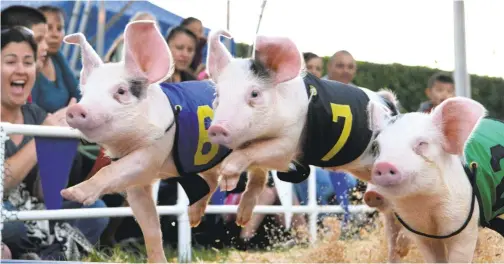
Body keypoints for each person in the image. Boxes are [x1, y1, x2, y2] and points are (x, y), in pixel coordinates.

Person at [1, 25, 109, 261]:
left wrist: (61, 143)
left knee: (96, 210)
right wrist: (42, 136)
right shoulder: (42, 123)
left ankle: (36, 258)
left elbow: (44, 196)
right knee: (10, 225)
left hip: (33, 214)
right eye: (10, 61)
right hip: (8, 217)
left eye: (28, 62)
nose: (21, 70)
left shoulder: (38, 115)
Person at [29, 5, 81, 114]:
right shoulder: (28, 66)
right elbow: (29, 111)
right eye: (49, 28)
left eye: (60, 28)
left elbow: (78, 94)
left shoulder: (57, 57)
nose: (55, 34)